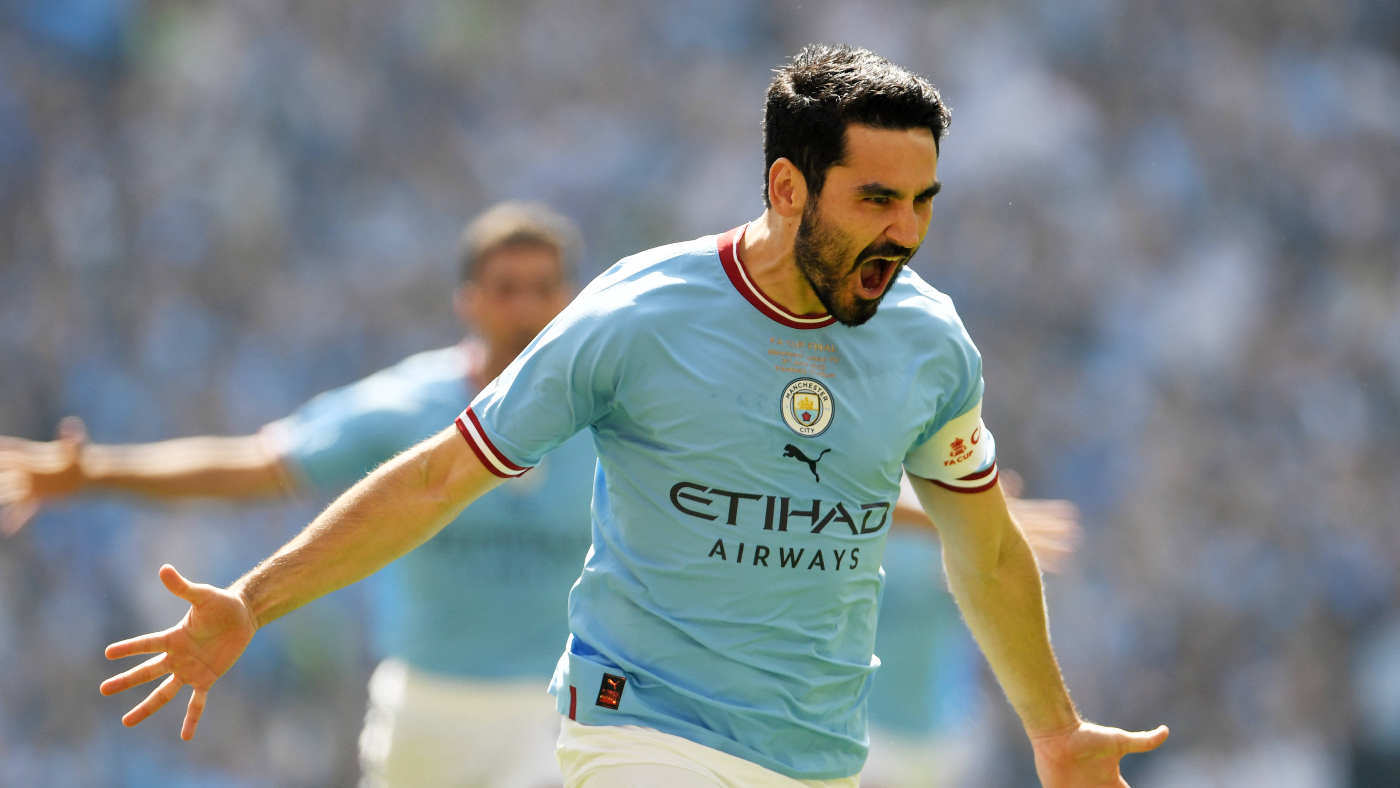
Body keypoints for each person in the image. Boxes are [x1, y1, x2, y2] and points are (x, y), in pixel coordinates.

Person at [98, 45, 1168, 787]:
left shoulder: (929, 342)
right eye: (875, 200)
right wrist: (253, 600)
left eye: (923, 201)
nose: (905, 232)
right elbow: (439, 475)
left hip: (817, 753)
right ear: (787, 187)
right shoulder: (638, 313)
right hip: (638, 726)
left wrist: (1055, 731)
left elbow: (985, 550)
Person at [1, 202, 595, 788]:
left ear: (569, 299)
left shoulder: (604, 418)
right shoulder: (409, 406)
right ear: (468, 301)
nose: (525, 308)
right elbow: (257, 465)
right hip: (426, 708)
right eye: (506, 289)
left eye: (542, 289)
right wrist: (96, 471)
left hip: (555, 702)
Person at [863, 474, 1081, 788]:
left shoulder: (941, 489)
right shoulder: (871, 500)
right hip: (867, 731)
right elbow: (846, 503)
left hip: (942, 738)